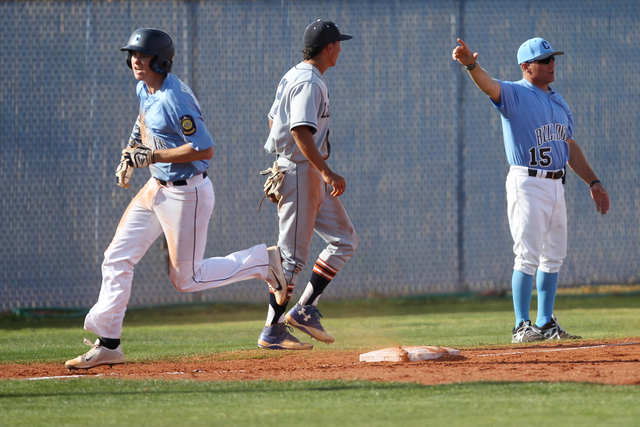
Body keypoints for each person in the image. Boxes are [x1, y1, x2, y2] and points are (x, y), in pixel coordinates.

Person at [65, 28, 287, 369]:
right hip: (156, 188)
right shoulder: (145, 87)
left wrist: (151, 157)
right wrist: (130, 152)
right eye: (133, 55)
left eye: (143, 55)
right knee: (116, 258)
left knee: (187, 279)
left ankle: (262, 262)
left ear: (161, 60)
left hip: (188, 192)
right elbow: (142, 122)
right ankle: (109, 343)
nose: (136, 60)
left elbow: (204, 148)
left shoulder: (174, 97)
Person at [452, 37, 610, 343]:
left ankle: (545, 323)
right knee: (527, 256)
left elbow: (569, 145)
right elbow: (487, 85)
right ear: (526, 67)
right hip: (527, 181)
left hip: (556, 184)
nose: (552, 64)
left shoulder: (559, 101)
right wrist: (471, 64)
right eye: (545, 60)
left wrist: (593, 181)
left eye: (553, 59)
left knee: (554, 257)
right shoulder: (514, 93)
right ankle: (521, 326)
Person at [257, 20, 358, 350]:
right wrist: (325, 172)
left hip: (304, 172)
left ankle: (304, 309)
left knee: (344, 240)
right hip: (302, 174)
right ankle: (272, 330)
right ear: (328, 48)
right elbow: (300, 131)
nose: (340, 48)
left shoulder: (295, 74)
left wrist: (286, 157)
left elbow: (275, 120)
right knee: (291, 260)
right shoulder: (309, 81)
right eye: (338, 44)